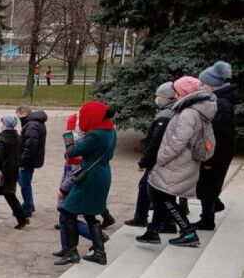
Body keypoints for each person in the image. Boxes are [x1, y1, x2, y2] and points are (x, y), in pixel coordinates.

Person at [137, 76, 217, 247]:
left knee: (162, 195)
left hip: (176, 161)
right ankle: (153, 230)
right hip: (180, 161)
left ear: (184, 92)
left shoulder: (188, 113)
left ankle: (188, 232)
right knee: (158, 192)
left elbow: (179, 140)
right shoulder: (194, 109)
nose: (174, 95)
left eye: (177, 91)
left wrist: (162, 157)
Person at [56, 101, 117, 266]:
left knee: (67, 212)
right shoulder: (110, 130)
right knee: (90, 214)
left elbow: (71, 153)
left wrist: (68, 134)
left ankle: (71, 252)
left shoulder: (95, 134)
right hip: (101, 173)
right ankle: (99, 252)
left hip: (90, 177)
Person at [125, 82, 179, 231]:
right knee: (153, 189)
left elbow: (155, 142)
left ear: (167, 98)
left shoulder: (165, 115)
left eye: (159, 96)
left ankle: (161, 222)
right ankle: (146, 218)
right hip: (165, 159)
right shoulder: (173, 111)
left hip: (159, 160)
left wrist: (144, 162)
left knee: (150, 188)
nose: (157, 99)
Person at [195, 61, 238, 230]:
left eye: (204, 83)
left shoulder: (218, 105)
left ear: (212, 84)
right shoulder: (221, 100)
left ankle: (207, 218)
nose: (202, 86)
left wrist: (209, 156)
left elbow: (216, 134)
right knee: (208, 184)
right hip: (220, 149)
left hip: (216, 151)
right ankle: (212, 207)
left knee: (207, 184)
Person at [0, 115, 29, 229]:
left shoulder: (2, 138)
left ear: (6, 124)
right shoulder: (17, 137)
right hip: (12, 170)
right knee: (9, 194)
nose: (1, 124)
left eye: (3, 122)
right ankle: (22, 218)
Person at [16, 106, 48, 217]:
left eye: (18, 114)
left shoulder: (31, 125)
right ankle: (30, 204)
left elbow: (30, 145)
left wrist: (22, 160)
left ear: (23, 113)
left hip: (28, 160)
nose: (18, 117)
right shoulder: (35, 122)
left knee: (24, 183)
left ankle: (27, 207)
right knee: (25, 181)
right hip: (33, 159)